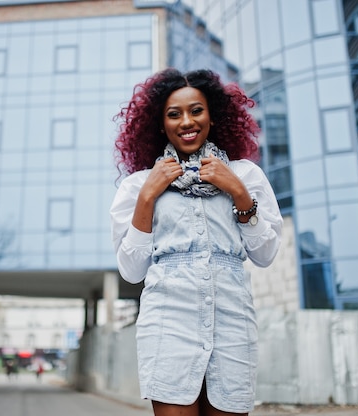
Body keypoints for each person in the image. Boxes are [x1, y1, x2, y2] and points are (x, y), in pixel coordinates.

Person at [110, 68, 283, 416]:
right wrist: (148, 198)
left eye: (196, 110)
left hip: (232, 320)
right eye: (174, 114)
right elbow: (131, 270)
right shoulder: (137, 185)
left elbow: (265, 254)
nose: (186, 121)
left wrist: (237, 190)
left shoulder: (246, 174)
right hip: (168, 321)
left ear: (212, 116)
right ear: (161, 124)